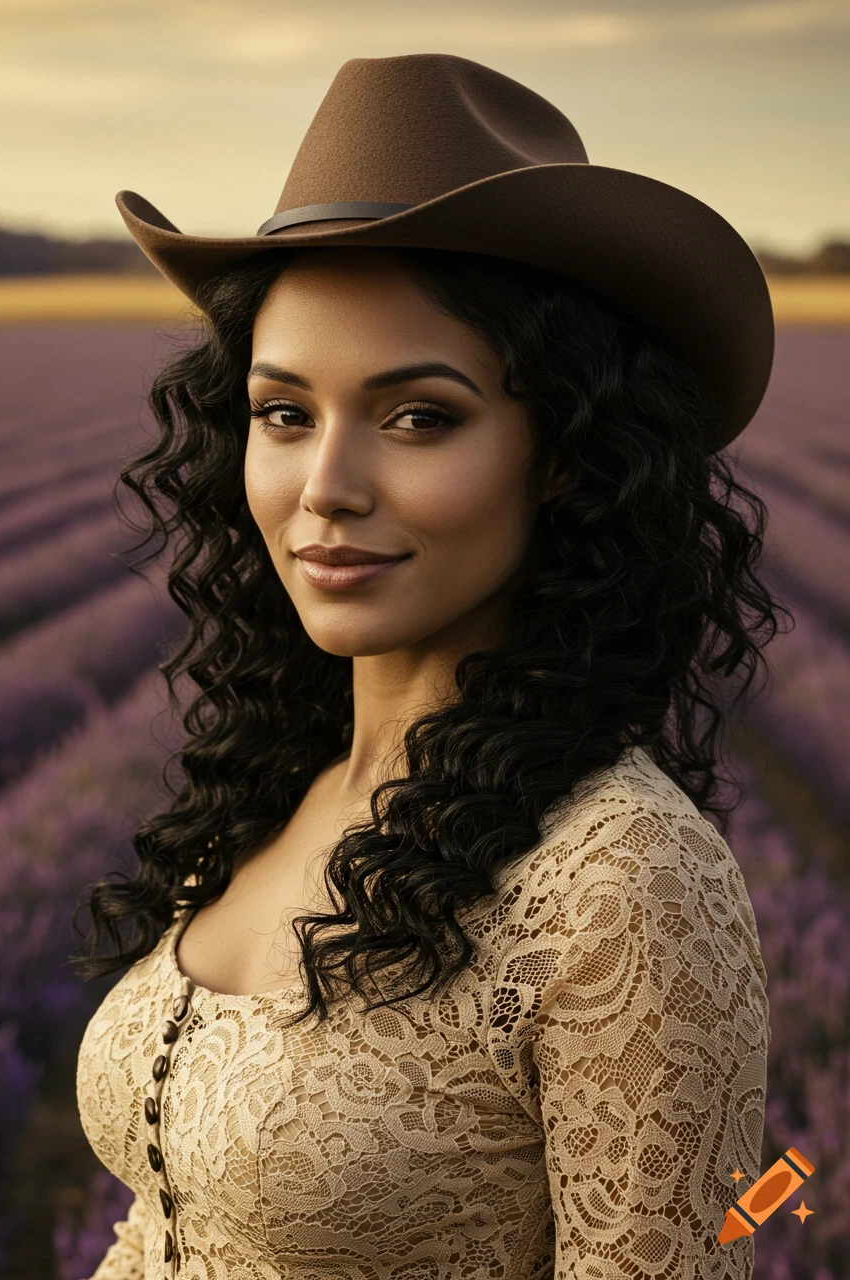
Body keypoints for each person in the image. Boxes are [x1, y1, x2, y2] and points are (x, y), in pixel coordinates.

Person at [73, 53, 783, 1279]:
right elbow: (167, 1219)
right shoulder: (263, 793)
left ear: (561, 455)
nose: (325, 489)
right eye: (284, 413)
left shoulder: (618, 879)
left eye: (418, 417)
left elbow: (701, 1244)